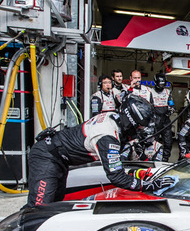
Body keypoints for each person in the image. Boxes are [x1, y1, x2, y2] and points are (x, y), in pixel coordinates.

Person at [26, 95, 156, 207]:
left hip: (58, 157)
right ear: (131, 121)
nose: (140, 130)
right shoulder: (107, 137)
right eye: (140, 127)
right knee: (39, 207)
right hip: (47, 156)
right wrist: (145, 185)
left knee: (54, 203)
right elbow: (117, 177)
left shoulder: (113, 117)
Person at [147, 72, 174, 162]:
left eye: (163, 84)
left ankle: (165, 159)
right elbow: (148, 105)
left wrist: (171, 110)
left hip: (165, 119)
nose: (161, 86)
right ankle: (155, 158)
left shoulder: (167, 91)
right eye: (159, 84)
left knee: (168, 141)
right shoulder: (150, 92)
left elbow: (171, 104)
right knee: (155, 141)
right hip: (155, 120)